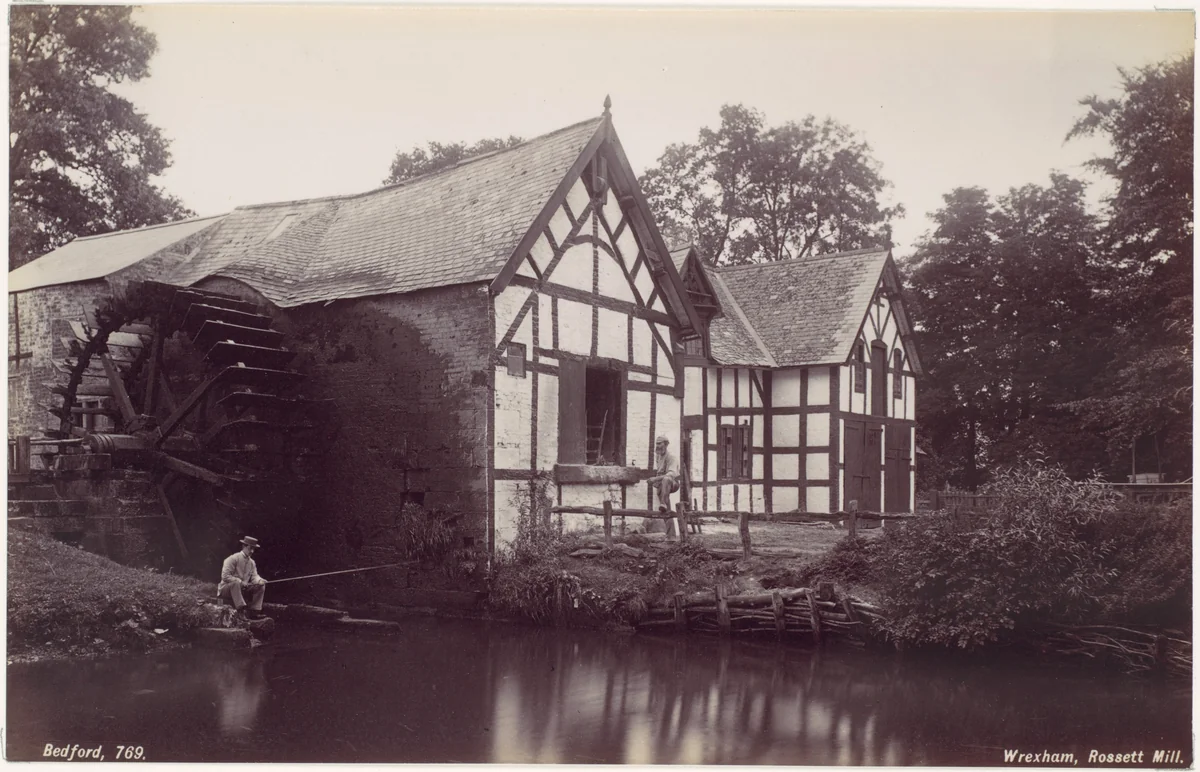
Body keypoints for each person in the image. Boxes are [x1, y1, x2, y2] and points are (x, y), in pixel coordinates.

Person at [218, 536, 267, 619]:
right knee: (235, 583)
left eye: (253, 549)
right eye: (250, 548)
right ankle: (240, 611)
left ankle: (254, 611)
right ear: (244, 546)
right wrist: (240, 582)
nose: (252, 551)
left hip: (242, 590)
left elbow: (255, 576)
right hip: (226, 590)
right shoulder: (233, 558)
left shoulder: (252, 562)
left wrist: (260, 580)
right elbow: (225, 576)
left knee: (261, 586)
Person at [645, 435, 680, 537]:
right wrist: (655, 481)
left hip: (673, 483)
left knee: (666, 479)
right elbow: (659, 471)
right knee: (666, 511)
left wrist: (655, 479)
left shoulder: (671, 457)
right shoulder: (658, 456)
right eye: (657, 443)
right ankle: (671, 536)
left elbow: (671, 474)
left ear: (666, 444)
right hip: (662, 485)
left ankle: (663, 503)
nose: (657, 446)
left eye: (660, 443)